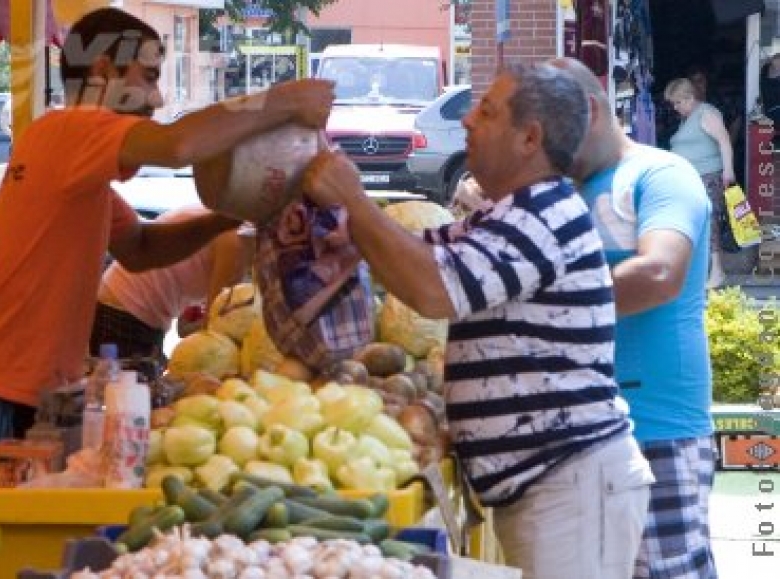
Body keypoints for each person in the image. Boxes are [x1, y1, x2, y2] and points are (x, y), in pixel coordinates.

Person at [0, 7, 334, 508]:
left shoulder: (73, 167)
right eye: (149, 77)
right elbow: (179, 146)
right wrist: (281, 100)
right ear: (103, 72)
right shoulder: (68, 130)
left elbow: (140, 250)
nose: (156, 99)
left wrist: (231, 216)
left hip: (24, 401)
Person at [302, 62, 653, 579]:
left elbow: (434, 287)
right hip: (547, 487)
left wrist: (354, 198)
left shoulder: (545, 217)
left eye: (486, 111)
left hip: (571, 487)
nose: (466, 120)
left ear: (529, 137)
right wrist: (350, 238)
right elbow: (420, 249)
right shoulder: (503, 216)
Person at [552, 57, 717, 579]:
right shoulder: (566, 188)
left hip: (657, 427)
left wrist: (542, 299)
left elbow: (661, 273)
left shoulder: (663, 173)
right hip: (579, 432)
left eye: (559, 135)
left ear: (593, 112)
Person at [90, 207, 255, 360]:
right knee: (124, 388)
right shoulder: (236, 239)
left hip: (124, 305)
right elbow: (216, 327)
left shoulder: (226, 218)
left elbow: (187, 326)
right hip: (127, 312)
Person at [664, 76, 734, 288]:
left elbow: (724, 141)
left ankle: (718, 271)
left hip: (708, 176)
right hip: (693, 178)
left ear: (689, 97)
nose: (675, 108)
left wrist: (728, 171)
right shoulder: (689, 117)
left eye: (678, 102)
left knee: (709, 221)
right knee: (696, 223)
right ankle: (701, 271)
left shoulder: (706, 113)